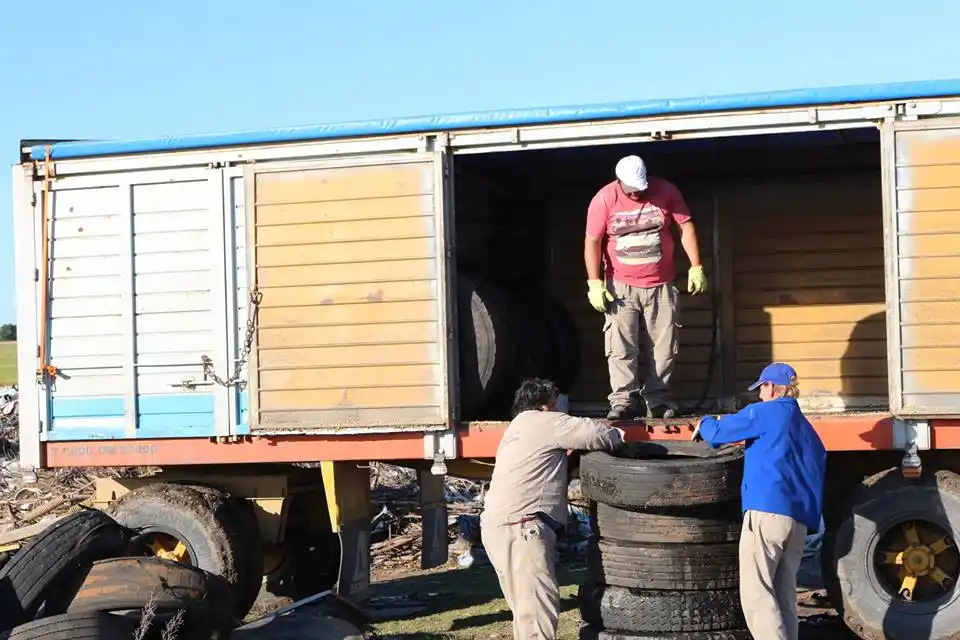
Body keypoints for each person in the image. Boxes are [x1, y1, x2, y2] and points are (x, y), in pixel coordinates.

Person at [481, 378, 624, 640]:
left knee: (525, 613)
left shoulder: (517, 428)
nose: (559, 409)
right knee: (537, 615)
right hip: (522, 528)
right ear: (543, 405)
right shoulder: (545, 421)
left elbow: (546, 471)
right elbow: (594, 434)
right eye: (555, 404)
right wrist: (618, 435)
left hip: (499, 527)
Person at [692, 362, 827, 640]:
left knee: (757, 594)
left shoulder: (765, 412)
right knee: (784, 594)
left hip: (767, 513)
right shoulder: (807, 429)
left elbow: (719, 434)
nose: (759, 395)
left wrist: (704, 423)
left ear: (772, 387)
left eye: (761, 388)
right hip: (799, 521)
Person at [584, 155, 707, 421]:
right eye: (632, 189)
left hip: (661, 284)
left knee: (664, 346)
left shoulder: (666, 191)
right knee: (620, 346)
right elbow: (592, 241)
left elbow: (685, 227)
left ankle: (658, 400)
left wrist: (696, 265)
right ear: (620, 182)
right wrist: (594, 282)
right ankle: (623, 401)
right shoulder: (604, 199)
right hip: (619, 286)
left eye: (641, 187)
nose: (638, 193)